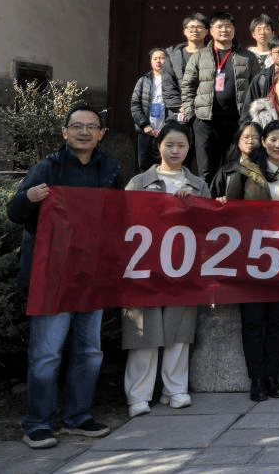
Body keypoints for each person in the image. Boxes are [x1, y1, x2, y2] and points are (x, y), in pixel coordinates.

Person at [8, 104, 121, 449]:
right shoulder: (47, 168)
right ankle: (38, 422)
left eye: (91, 127)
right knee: (47, 354)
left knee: (90, 352)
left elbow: (121, 218)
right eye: (77, 126)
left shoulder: (111, 170)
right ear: (65, 132)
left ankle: (78, 416)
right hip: (52, 276)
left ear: (101, 134)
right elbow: (14, 212)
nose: (84, 132)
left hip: (92, 275)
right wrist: (29, 197)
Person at [122, 122, 208, 417]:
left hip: (183, 266)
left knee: (178, 329)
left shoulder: (198, 185)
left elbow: (209, 227)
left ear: (189, 148)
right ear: (158, 146)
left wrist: (193, 206)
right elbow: (124, 221)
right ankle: (138, 394)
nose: (175, 151)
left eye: (181, 145)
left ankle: (175, 389)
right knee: (143, 331)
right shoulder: (139, 182)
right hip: (144, 267)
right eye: (169, 144)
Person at [224, 119, 279, 400]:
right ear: (263, 142)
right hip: (251, 256)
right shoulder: (246, 171)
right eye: (272, 139)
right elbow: (230, 210)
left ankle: (273, 375)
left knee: (278, 319)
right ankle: (256, 378)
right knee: (252, 320)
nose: (278, 145)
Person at [180, 12, 262, 180]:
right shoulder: (199, 56)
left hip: (237, 121)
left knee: (235, 168)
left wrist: (252, 116)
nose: (224, 30)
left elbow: (258, 88)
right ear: (211, 31)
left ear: (234, 29)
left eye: (228, 26)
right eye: (219, 27)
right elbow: (188, 86)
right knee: (206, 170)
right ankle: (206, 197)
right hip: (205, 121)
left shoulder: (248, 57)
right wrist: (191, 113)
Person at [130, 47, 180, 172]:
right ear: (151, 61)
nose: (158, 61)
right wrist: (144, 125)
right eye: (155, 58)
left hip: (166, 131)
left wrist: (167, 127)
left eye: (162, 58)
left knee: (166, 164)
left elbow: (177, 106)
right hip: (146, 131)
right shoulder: (143, 80)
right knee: (144, 164)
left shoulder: (173, 81)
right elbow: (135, 104)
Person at [164, 12, 209, 98]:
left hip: (208, 103)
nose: (195, 30)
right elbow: (168, 84)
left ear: (206, 31)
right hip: (181, 104)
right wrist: (177, 104)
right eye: (191, 27)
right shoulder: (172, 55)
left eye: (199, 27)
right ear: (185, 31)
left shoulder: (214, 53)